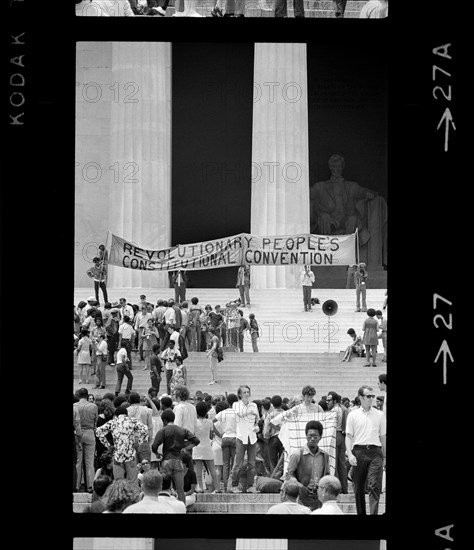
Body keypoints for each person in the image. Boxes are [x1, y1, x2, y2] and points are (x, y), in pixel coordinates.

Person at [310, 154, 387, 267]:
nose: (337, 169)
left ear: (342, 167)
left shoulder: (351, 186)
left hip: (347, 220)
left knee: (352, 219)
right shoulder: (321, 187)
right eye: (335, 166)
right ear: (330, 167)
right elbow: (306, 193)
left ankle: (347, 256)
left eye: (340, 166)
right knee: (324, 218)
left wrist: (368, 194)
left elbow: (364, 191)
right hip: (328, 220)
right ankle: (328, 257)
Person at [345, 385, 386, 515]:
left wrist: (385, 456)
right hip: (358, 452)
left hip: (375, 452)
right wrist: (350, 453)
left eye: (372, 396)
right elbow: (348, 436)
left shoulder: (379, 415)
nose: (371, 399)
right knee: (358, 486)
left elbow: (383, 436)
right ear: (361, 397)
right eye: (368, 396)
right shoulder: (353, 415)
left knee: (374, 485)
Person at [151, 409, 200, 504]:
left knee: (165, 489)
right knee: (180, 490)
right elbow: (196, 441)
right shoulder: (182, 430)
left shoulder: (163, 430)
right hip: (178, 461)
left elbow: (154, 446)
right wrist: (185, 448)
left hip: (167, 461)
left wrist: (156, 453)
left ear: (164, 420)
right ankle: (182, 509)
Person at [95, 405, 149, 484]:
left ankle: (120, 495)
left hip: (118, 456)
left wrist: (108, 445)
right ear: (126, 414)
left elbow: (98, 431)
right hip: (130, 455)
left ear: (116, 415)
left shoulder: (113, 422)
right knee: (132, 481)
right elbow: (145, 429)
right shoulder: (132, 421)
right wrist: (139, 442)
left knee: (118, 482)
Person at [285, 420, 330, 511]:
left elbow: (327, 475)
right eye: (310, 436)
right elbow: (288, 475)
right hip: (302, 497)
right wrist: (300, 486)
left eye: (315, 436)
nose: (312, 439)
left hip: (319, 497)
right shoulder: (297, 454)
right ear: (306, 436)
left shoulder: (324, 455)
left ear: (320, 437)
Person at [230, 385, 260, 493]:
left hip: (252, 436)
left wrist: (257, 427)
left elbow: (257, 419)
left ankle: (250, 485)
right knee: (238, 463)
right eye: (244, 392)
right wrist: (250, 412)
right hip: (241, 437)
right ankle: (234, 485)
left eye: (248, 392)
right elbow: (239, 414)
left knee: (252, 463)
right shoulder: (236, 404)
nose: (246, 394)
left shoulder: (254, 405)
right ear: (240, 395)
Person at [74, 388, 99, 493]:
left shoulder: (74, 406)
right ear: (87, 395)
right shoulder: (94, 406)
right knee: (90, 462)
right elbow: (95, 421)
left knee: (78, 462)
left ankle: (77, 485)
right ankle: (90, 486)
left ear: (78, 395)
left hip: (77, 434)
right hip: (90, 432)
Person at [193, 401, 220, 493]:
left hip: (197, 447)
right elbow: (211, 435)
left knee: (198, 469)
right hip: (207, 446)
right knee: (212, 468)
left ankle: (200, 487)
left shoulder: (194, 422)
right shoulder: (210, 422)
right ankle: (217, 488)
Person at [213, 393, 238, 492]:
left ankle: (225, 486)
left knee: (225, 464)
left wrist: (218, 434)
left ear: (227, 402)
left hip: (224, 438)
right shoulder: (238, 412)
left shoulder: (223, 412)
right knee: (234, 464)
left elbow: (212, 422)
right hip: (235, 438)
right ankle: (232, 486)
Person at [326, 392, 349, 493]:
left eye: (329, 400)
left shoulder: (334, 411)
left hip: (335, 435)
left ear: (334, 401)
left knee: (334, 463)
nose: (327, 402)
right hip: (342, 436)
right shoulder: (342, 408)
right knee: (342, 463)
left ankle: (337, 488)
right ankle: (344, 488)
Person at [127, 392, 154, 463]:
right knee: (145, 465)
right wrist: (150, 440)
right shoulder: (147, 410)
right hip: (144, 439)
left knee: (133, 465)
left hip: (130, 440)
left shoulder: (126, 411)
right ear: (139, 400)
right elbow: (150, 426)